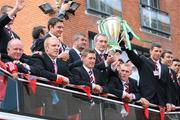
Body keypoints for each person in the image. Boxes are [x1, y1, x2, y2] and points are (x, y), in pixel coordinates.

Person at [124, 41, 172, 111]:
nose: (158, 53)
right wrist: (127, 45)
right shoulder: (144, 61)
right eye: (156, 51)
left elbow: (168, 86)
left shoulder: (165, 68)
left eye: (160, 51)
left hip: (160, 102)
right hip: (145, 99)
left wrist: (169, 102)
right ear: (150, 51)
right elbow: (133, 56)